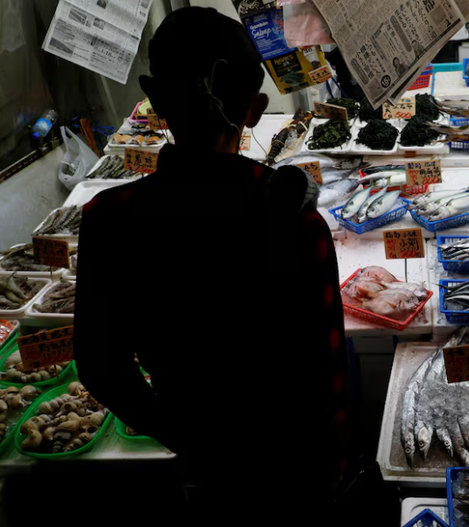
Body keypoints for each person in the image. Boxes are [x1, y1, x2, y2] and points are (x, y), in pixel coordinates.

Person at [73, 7, 350, 523]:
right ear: (255, 109)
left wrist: (190, 437)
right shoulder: (294, 217)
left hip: (201, 466)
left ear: (153, 99)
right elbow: (327, 365)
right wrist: (331, 466)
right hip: (295, 469)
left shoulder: (110, 219)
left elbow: (100, 365)